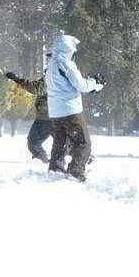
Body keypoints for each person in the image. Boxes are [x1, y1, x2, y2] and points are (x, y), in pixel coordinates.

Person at [44, 35, 104, 181]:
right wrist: (95, 83)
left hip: (55, 112)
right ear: (68, 49)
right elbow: (81, 86)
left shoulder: (50, 65)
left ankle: (55, 168)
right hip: (70, 111)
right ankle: (75, 172)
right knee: (83, 143)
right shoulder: (66, 63)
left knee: (61, 141)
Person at [4, 56, 56, 164]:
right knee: (37, 142)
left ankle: (43, 162)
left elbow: (36, 88)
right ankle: (43, 162)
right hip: (48, 117)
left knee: (35, 142)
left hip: (50, 118)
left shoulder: (53, 77)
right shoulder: (56, 75)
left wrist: (17, 80)